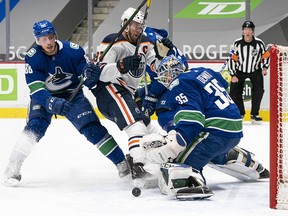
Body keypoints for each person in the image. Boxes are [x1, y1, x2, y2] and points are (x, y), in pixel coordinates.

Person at [2, 20, 130, 186]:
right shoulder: (33, 57)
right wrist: (51, 102)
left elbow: (88, 80)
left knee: (93, 129)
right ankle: (13, 165)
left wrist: (91, 74)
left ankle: (122, 163)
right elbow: (36, 90)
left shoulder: (73, 51)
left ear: (55, 35)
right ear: (37, 40)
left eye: (50, 37)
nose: (47, 42)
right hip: (45, 96)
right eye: (42, 39)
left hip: (73, 95)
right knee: (35, 126)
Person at [140, 55, 269, 199]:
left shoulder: (179, 84)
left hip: (215, 131)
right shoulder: (203, 71)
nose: (163, 78)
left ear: (172, 72)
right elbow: (223, 84)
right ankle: (250, 163)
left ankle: (190, 183)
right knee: (210, 152)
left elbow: (193, 120)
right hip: (234, 128)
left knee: (177, 165)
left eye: (165, 73)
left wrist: (175, 143)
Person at [88, 7, 165, 180]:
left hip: (127, 93)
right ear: (125, 24)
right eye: (135, 25)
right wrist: (121, 66)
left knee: (149, 128)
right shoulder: (112, 41)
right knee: (136, 126)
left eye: (141, 26)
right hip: (109, 89)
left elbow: (156, 66)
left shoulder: (146, 43)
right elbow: (99, 72)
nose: (139, 29)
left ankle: (169, 153)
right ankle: (137, 165)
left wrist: (164, 56)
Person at [228, 21, 270, 123]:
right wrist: (233, 74)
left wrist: (264, 68)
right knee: (233, 93)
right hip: (239, 71)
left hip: (255, 70)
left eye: (250, 30)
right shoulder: (237, 43)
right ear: (243, 31)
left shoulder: (259, 43)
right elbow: (231, 59)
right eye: (246, 30)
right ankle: (240, 113)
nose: (247, 32)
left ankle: (254, 114)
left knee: (259, 91)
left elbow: (266, 56)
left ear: (253, 32)